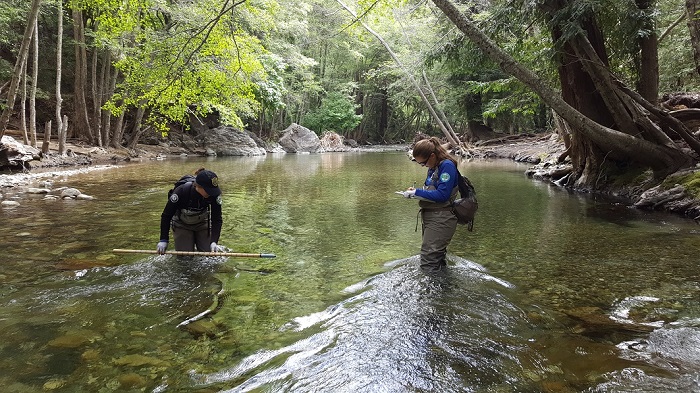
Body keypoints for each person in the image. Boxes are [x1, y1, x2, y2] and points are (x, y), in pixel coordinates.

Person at [402, 137, 459, 272]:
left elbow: (442, 195)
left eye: (424, 163)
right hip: (431, 217)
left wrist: (418, 192)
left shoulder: (447, 166)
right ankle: (444, 288)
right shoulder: (433, 167)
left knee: (429, 259)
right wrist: (415, 192)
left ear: (433, 156)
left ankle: (429, 291)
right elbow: (430, 190)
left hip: (442, 218)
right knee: (436, 257)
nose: (423, 166)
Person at [156, 168, 224, 254]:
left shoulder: (214, 195)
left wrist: (214, 241)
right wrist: (163, 239)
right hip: (182, 225)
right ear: (198, 186)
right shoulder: (181, 192)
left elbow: (217, 219)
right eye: (208, 190)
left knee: (209, 256)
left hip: (202, 223)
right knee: (185, 258)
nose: (211, 193)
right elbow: (166, 216)